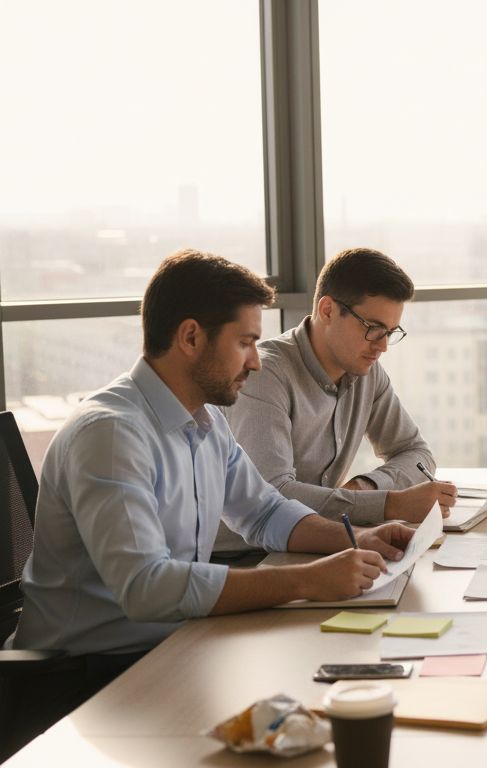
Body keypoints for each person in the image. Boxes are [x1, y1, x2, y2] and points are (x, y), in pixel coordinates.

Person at [4, 250, 414, 748]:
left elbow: (264, 510)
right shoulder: (112, 435)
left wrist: (356, 538)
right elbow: (147, 587)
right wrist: (307, 580)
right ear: (191, 337)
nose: (255, 362)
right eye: (245, 343)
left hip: (167, 648)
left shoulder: (205, 419)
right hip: (82, 681)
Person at [213, 247, 456, 557]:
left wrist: (366, 487)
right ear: (327, 310)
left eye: (390, 332)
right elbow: (274, 495)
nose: (382, 346)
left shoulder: (366, 370)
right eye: (373, 328)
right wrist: (390, 503)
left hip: (322, 546)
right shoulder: (265, 374)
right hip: (243, 559)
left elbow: (415, 452)